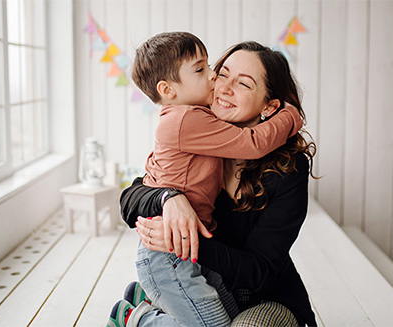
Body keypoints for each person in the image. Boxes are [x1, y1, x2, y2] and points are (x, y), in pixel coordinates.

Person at [108, 32, 303, 327]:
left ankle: (142, 316)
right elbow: (133, 195)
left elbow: (260, 270)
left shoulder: (288, 170)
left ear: (269, 107)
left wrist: (188, 241)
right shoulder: (194, 126)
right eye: (220, 73)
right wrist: (168, 198)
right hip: (182, 264)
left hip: (262, 295)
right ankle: (139, 319)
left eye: (243, 83)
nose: (219, 84)